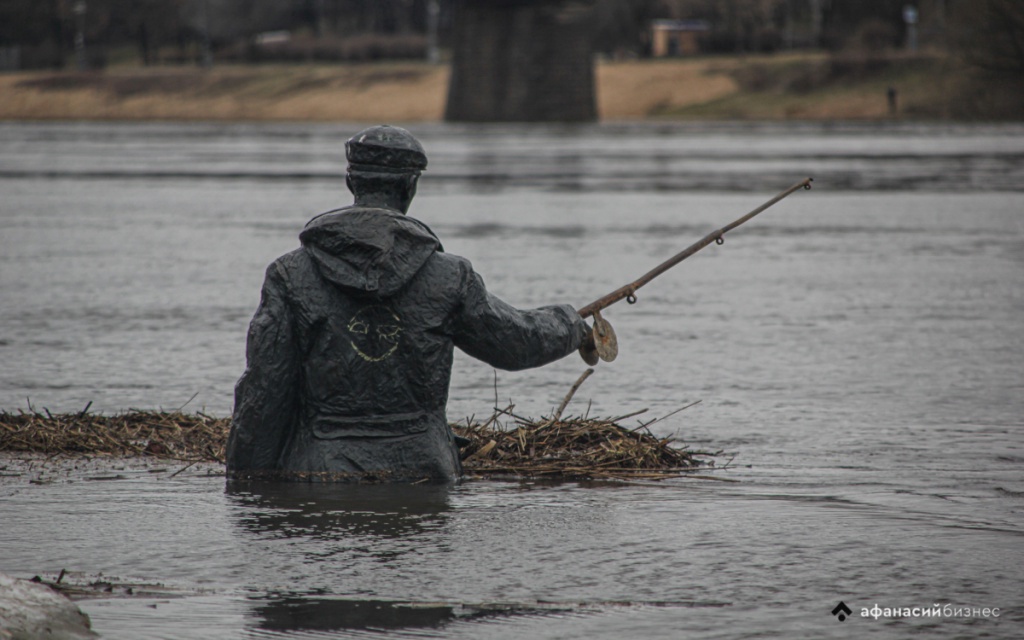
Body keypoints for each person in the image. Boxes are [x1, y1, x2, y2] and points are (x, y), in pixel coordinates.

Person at [226, 125, 590, 483]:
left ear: (351, 181)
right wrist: (571, 323)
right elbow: (517, 344)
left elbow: (264, 393)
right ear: (410, 186)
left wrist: (246, 486)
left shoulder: (290, 274)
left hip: (320, 470)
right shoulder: (450, 276)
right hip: (425, 469)